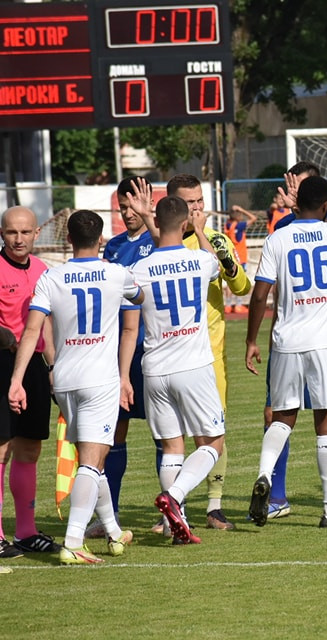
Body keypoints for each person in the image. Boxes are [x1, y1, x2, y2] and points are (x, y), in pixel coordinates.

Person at [8, 210, 143, 563]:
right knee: (92, 461)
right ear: (100, 239)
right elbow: (139, 297)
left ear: (68, 239)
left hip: (64, 379)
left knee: (90, 460)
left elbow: (33, 330)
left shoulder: (51, 277)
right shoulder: (117, 274)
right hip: (100, 379)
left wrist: (17, 379)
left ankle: (113, 531)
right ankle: (74, 540)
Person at [246, 176, 327, 529]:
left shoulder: (277, 238)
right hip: (324, 342)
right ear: (325, 205)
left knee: (282, 417)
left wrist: (251, 340)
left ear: (296, 205)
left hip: (286, 341)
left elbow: (261, 293)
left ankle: (265, 474)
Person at [131, 196, 227, 545]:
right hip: (193, 366)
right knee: (213, 442)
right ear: (186, 222)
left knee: (172, 447)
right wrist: (200, 232)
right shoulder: (199, 260)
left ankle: (178, 525)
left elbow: (159, 262)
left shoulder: (139, 268)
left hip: (154, 368)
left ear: (155, 219)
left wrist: (146, 218)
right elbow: (216, 263)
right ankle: (176, 497)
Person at [166, 174, 251, 530]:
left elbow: (240, 284)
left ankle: (214, 507)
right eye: (190, 203)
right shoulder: (163, 245)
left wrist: (201, 233)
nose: (198, 208)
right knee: (172, 436)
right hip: (171, 354)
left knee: (213, 432)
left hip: (211, 356)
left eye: (200, 201)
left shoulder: (215, 239)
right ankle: (174, 508)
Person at [94, 176, 156, 536]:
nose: (127, 212)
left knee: (166, 433)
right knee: (115, 433)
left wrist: (150, 217)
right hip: (119, 354)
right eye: (122, 206)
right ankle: (109, 515)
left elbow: (168, 244)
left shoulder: (158, 237)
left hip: (154, 351)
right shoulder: (114, 247)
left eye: (132, 205)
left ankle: (170, 513)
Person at [0, 206, 59, 556]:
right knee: (1, 448)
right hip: (2, 364)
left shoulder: (43, 271)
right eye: (11, 232)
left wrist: (53, 369)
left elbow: (46, 325)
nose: (18, 239)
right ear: (2, 234)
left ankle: (26, 531)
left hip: (34, 366)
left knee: (30, 448)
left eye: (25, 232)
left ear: (37, 233)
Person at [223, 204, 258, 313]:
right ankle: (238, 304)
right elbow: (254, 218)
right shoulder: (240, 225)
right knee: (240, 281)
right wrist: (242, 208)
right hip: (240, 256)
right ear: (238, 216)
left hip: (231, 255)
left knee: (230, 281)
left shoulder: (228, 225)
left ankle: (228, 305)